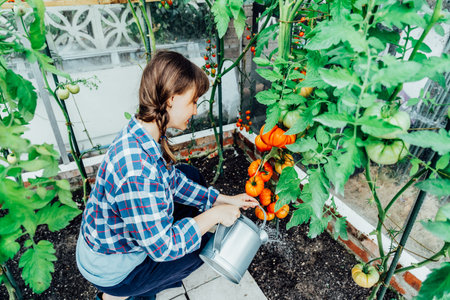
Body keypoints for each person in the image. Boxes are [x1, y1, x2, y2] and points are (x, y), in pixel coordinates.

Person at [76, 50, 259, 300]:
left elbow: (172, 180)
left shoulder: (142, 132)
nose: (195, 110)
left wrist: (222, 200)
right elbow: (164, 248)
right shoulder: (137, 170)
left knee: (189, 174)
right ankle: (118, 295)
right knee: (201, 246)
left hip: (114, 240)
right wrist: (213, 216)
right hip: (112, 269)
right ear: (172, 99)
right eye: (193, 101)